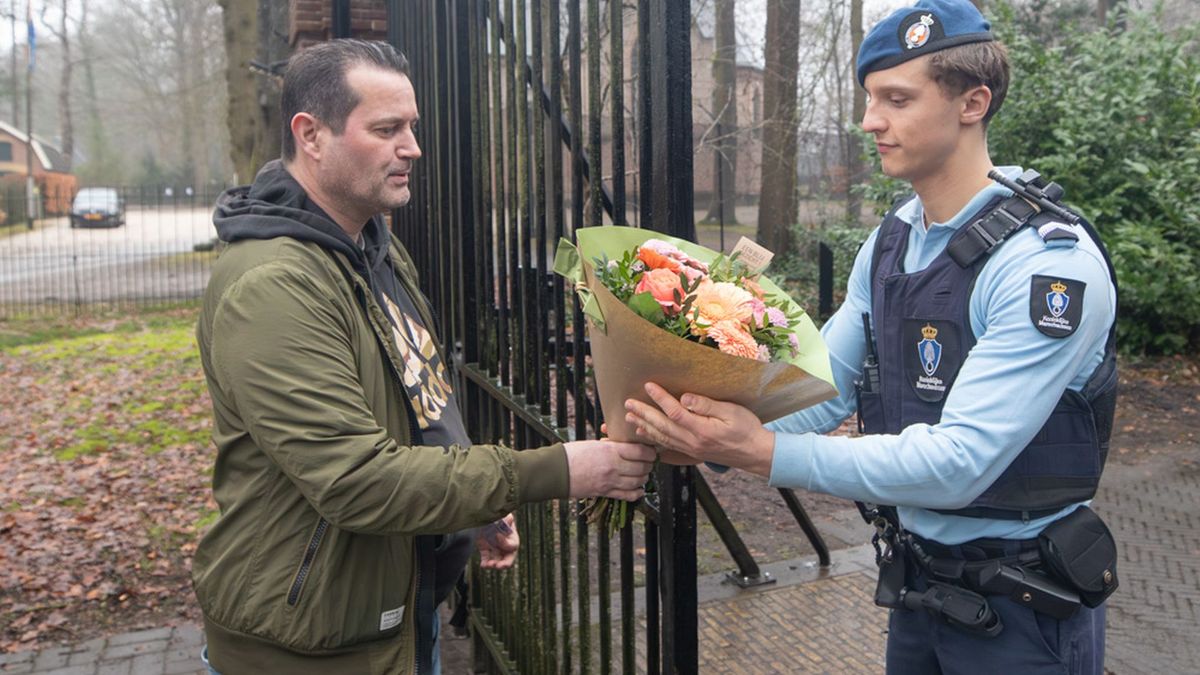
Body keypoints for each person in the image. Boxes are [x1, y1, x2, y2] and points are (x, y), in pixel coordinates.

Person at [625, 1, 1119, 673]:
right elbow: (818, 389)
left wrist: (764, 452)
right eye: (868, 99)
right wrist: (698, 428)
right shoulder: (891, 242)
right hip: (920, 593)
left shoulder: (1047, 266)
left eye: (896, 99)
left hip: (1025, 611)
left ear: (972, 102)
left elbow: (958, 464)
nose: (869, 121)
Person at [193, 39, 656, 675]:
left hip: (399, 620)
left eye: (411, 126)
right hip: (308, 651)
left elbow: (421, 397)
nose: (411, 147)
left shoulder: (372, 247)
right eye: (386, 129)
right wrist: (556, 471)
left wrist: (471, 510)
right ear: (311, 134)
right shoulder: (273, 285)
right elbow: (355, 482)